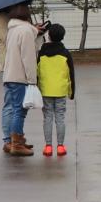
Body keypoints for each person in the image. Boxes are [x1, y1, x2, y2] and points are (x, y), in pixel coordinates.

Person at [0, 1, 40, 157]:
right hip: (20, 77)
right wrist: (32, 80)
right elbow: (28, 58)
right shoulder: (26, 31)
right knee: (19, 111)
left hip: (9, 75)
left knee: (12, 109)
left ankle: (11, 141)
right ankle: (17, 143)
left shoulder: (13, 30)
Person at [36, 22, 75, 157]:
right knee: (60, 117)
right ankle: (60, 146)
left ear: (49, 36)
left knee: (47, 117)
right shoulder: (65, 53)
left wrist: (37, 88)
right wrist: (71, 92)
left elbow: (37, 71)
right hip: (60, 90)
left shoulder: (42, 53)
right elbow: (71, 74)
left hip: (45, 90)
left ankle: (48, 146)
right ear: (62, 37)